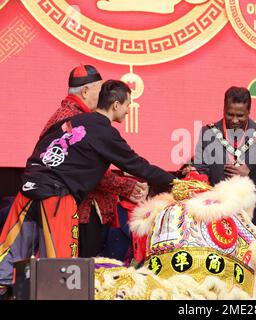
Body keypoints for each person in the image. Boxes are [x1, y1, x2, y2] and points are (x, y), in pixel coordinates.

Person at [0, 80, 176, 296]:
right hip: (55, 198)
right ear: (116, 105)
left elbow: (40, 148)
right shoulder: (105, 133)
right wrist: (174, 182)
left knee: (6, 263)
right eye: (128, 105)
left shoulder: (71, 121)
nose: (129, 111)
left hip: (27, 190)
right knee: (58, 273)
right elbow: (139, 166)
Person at [40, 64, 148, 258]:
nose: (101, 97)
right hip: (72, 207)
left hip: (72, 203)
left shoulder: (73, 116)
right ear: (85, 90)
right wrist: (128, 187)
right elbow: (88, 171)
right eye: (100, 90)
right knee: (75, 267)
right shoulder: (74, 119)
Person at [193, 86, 256, 239]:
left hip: (253, 214)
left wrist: (250, 174)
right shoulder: (208, 132)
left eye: (240, 115)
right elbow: (201, 168)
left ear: (249, 111)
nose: (235, 120)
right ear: (223, 108)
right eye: (230, 114)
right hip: (216, 213)